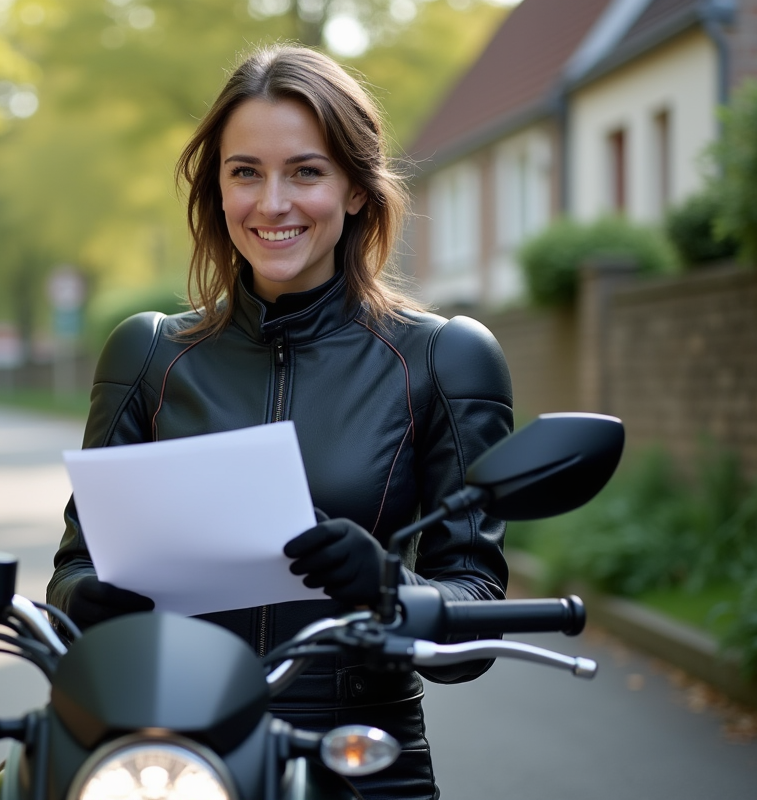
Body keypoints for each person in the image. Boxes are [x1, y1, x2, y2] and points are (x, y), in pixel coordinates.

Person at [47, 43, 512, 800]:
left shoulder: (442, 359)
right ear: (217, 189)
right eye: (245, 172)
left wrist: (389, 586)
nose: (271, 203)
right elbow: (73, 566)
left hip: (363, 757)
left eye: (305, 170)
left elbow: (478, 617)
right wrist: (85, 599)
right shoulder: (148, 353)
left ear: (356, 190)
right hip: (167, 754)